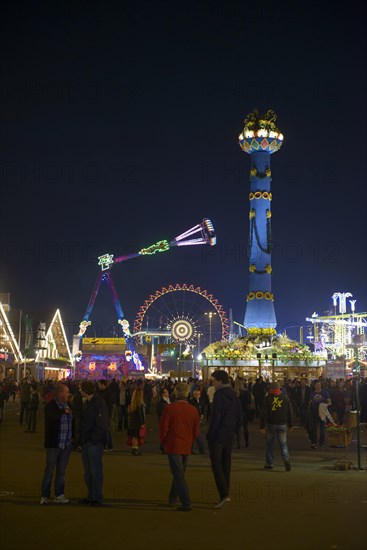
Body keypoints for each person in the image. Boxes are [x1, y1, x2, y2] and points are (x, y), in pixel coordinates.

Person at [159, 382, 200, 512]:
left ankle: (186, 502)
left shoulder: (169, 409)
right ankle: (172, 498)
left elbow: (163, 429)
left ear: (175, 393)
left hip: (173, 444)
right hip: (186, 445)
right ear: (188, 394)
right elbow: (196, 432)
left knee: (178, 474)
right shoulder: (193, 410)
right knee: (179, 473)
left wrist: (164, 442)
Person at [206, 370, 242, 509]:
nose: (212, 383)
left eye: (213, 380)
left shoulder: (219, 395)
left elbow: (216, 417)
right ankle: (226, 493)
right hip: (229, 434)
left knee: (216, 465)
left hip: (219, 434)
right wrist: (235, 431)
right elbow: (240, 416)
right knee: (226, 464)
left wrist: (210, 434)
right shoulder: (234, 395)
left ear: (220, 381)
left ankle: (223, 493)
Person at [40, 383, 73, 505]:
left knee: (61, 471)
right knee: (49, 470)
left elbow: (73, 421)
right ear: (59, 393)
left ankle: (59, 494)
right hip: (54, 444)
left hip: (66, 444)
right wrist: (63, 411)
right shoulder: (51, 406)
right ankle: (45, 495)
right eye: (66, 392)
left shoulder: (69, 405)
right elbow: (51, 417)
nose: (67, 394)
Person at [79, 379, 109, 507]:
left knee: (95, 470)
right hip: (87, 441)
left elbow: (101, 424)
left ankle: (96, 497)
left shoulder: (98, 402)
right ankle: (91, 495)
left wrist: (93, 439)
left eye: (80, 389)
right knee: (88, 471)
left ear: (85, 391)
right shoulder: (88, 402)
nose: (79, 391)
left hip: (93, 442)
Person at [260, 381, 293, 471]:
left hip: (271, 424)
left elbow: (264, 414)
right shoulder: (285, 399)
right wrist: (290, 424)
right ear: (279, 389)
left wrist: (262, 426)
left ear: (271, 389)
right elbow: (290, 412)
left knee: (269, 444)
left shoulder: (267, 399)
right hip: (282, 424)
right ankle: (286, 459)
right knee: (283, 444)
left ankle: (270, 463)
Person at [308, 380, 331, 449]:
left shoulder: (325, 393)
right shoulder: (312, 393)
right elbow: (310, 402)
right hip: (314, 413)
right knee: (314, 428)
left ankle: (322, 443)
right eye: (317, 385)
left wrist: (324, 405)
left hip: (322, 413)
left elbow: (330, 402)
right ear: (314, 386)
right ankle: (314, 442)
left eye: (319, 384)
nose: (319, 386)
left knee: (322, 429)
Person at [127, 382, 146, 455]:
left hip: (132, 421)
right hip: (137, 422)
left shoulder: (133, 404)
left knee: (134, 436)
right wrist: (142, 423)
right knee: (136, 436)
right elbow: (140, 414)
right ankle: (135, 449)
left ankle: (134, 449)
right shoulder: (140, 404)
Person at [189, 388, 206, 454]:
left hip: (198, 419)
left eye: (198, 394)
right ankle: (201, 450)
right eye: (196, 394)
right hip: (194, 420)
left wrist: (202, 414)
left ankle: (191, 449)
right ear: (193, 395)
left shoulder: (200, 401)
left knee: (195, 435)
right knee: (197, 435)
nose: (197, 395)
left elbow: (202, 408)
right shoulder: (192, 402)